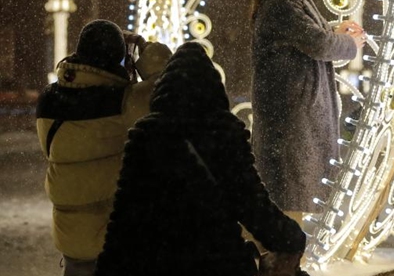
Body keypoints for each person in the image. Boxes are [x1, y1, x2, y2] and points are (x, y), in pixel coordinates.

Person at [94, 43, 307, 276]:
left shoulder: (146, 136)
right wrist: (290, 236)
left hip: (158, 263)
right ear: (214, 89)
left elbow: (125, 217)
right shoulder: (224, 135)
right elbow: (251, 203)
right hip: (217, 262)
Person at [35, 20, 171, 276]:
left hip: (70, 235)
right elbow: (169, 88)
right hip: (111, 235)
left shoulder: (48, 99)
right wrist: (146, 50)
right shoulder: (124, 102)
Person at [250, 0, 365, 221]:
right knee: (290, 192)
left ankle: (284, 256)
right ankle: (284, 261)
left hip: (294, 109)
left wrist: (336, 30)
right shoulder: (280, 4)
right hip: (290, 113)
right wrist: (350, 44)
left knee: (291, 191)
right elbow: (317, 43)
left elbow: (311, 33)